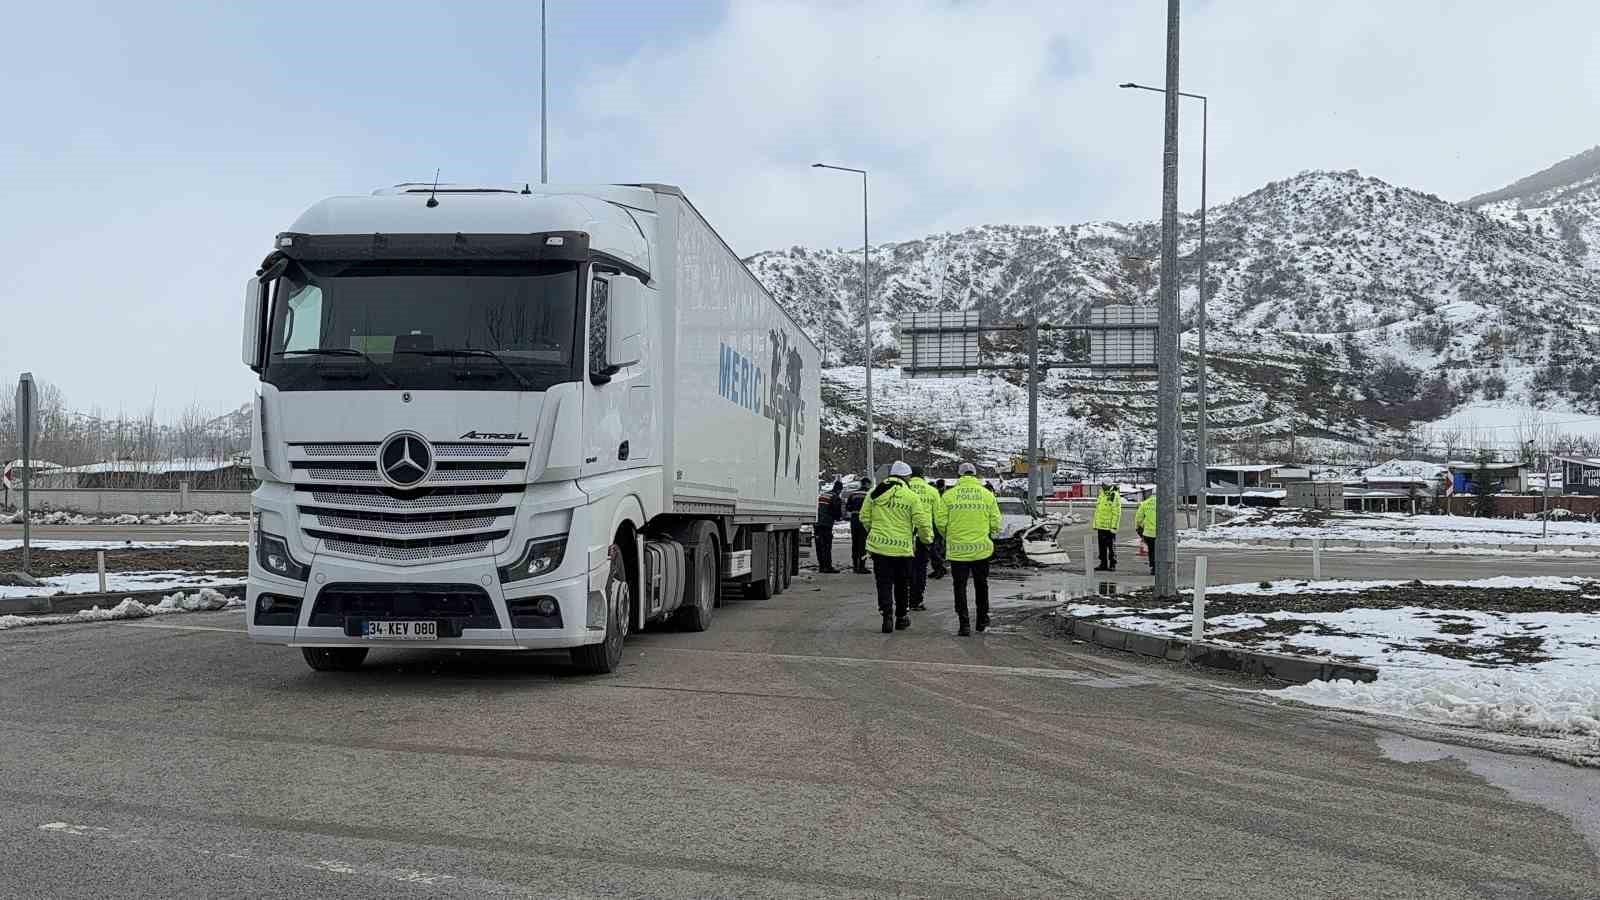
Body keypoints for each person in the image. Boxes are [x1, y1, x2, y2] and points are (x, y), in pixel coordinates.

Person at [860, 461, 932, 633]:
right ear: (907, 477)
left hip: (880, 548)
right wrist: (927, 539)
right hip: (903, 549)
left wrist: (874, 531)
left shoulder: (874, 493)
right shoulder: (911, 496)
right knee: (902, 583)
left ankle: (886, 617)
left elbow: (864, 517)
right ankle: (901, 617)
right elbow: (922, 522)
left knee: (883, 583)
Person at [935, 462, 1002, 636]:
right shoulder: (987, 495)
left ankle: (964, 623)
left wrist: (949, 536)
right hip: (981, 549)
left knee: (960, 586)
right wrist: (987, 534)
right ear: (975, 475)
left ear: (959, 476)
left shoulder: (949, 496)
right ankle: (981, 620)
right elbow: (996, 523)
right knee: (981, 585)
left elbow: (940, 522)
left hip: (958, 550)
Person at [906, 465, 946, 601]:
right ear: (923, 476)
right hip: (924, 535)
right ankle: (917, 599)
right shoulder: (932, 491)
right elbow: (938, 517)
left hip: (905, 535)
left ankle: (906, 596)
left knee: (907, 567)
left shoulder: (904, 489)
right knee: (921, 568)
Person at [815, 480, 844, 573]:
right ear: (839, 490)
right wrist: (839, 517)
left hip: (817, 523)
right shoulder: (835, 497)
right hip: (826, 524)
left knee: (819, 545)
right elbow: (836, 512)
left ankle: (821, 566)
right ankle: (827, 567)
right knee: (827, 546)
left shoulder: (823, 495)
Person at [1093, 482, 1122, 572]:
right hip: (1101, 526)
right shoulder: (1102, 495)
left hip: (1109, 527)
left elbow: (1116, 513)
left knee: (1111, 547)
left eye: (1104, 485)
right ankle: (1103, 564)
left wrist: (1114, 527)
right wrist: (1096, 524)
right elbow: (1098, 511)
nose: (1102, 487)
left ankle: (1112, 564)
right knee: (1101, 547)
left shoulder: (1114, 495)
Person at [846, 478, 872, 573]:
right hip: (864, 520)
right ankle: (861, 566)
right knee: (862, 544)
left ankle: (854, 566)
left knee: (855, 543)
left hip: (854, 519)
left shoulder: (853, 494)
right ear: (867, 484)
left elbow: (848, 507)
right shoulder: (869, 494)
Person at [1135, 488, 1157, 574]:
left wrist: (1138, 527)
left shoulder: (1145, 503)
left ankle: (1153, 566)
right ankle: (1159, 566)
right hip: (1161, 533)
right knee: (1159, 550)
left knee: (1151, 550)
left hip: (1148, 533)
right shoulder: (1164, 503)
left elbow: (1139, 518)